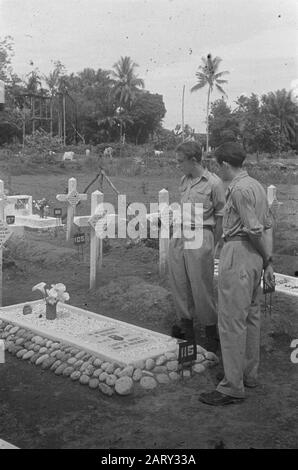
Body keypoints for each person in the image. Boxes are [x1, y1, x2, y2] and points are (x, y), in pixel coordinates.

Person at [199, 142, 275, 406]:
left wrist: (266, 258)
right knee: (251, 318)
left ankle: (232, 386)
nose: (217, 170)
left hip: (241, 252)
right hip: (255, 258)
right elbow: (267, 227)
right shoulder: (256, 186)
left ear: (224, 165)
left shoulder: (240, 190)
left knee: (231, 321)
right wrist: (267, 262)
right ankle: (247, 375)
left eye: (218, 165)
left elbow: (254, 229)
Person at [168, 141, 225, 352]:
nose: (178, 165)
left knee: (201, 285)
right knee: (179, 283)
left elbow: (221, 215)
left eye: (180, 161)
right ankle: (186, 329)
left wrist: (214, 243)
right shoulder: (184, 179)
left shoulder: (214, 183)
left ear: (194, 160)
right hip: (180, 233)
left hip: (201, 234)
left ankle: (211, 333)